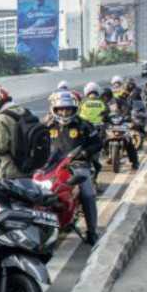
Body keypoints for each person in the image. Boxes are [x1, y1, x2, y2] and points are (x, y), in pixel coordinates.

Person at [43, 91, 102, 245]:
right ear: (54, 110)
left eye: (68, 109)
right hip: (51, 167)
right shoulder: (47, 126)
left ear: (74, 109)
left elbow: (98, 143)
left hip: (77, 165)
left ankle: (92, 231)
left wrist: (85, 153)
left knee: (88, 194)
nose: (64, 113)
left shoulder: (84, 125)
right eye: (61, 109)